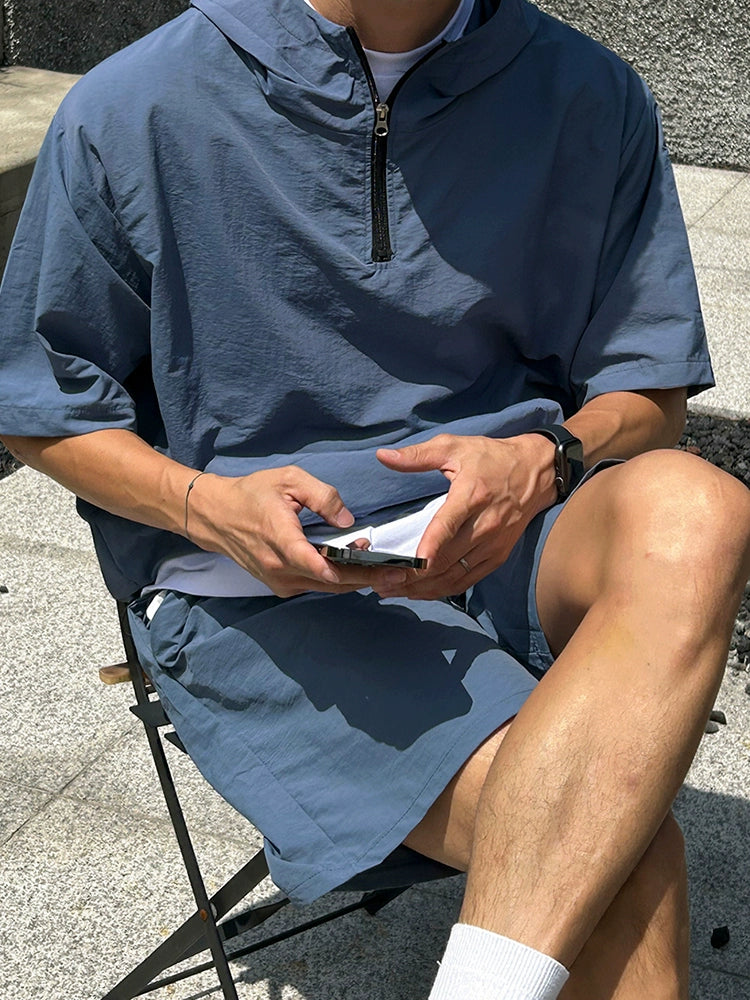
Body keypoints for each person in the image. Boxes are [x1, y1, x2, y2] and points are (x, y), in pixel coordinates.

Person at [1, 0, 749, 996]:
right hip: (264, 587)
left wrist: (549, 457)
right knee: (619, 861)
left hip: (518, 529)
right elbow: (41, 408)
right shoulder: (136, 104)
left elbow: (650, 396)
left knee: (699, 509)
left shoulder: (588, 93)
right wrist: (203, 506)